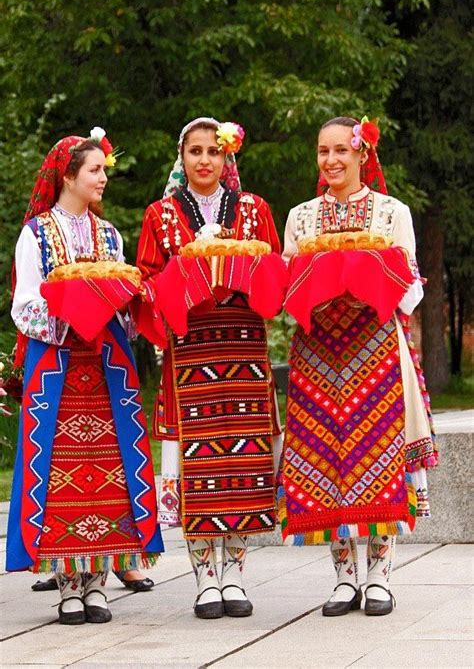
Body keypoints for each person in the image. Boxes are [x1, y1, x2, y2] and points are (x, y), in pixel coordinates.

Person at [280, 116, 437, 616]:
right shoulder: (301, 217)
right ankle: (344, 578)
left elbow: (410, 286)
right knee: (324, 461)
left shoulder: (393, 213)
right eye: (322, 151)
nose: (331, 161)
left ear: (361, 155)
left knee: (380, 460)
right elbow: (288, 282)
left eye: (341, 151)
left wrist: (370, 277)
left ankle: (380, 577)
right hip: (318, 351)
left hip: (376, 349)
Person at [7, 129, 164, 624]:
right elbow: (24, 305)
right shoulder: (34, 234)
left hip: (104, 368)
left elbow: (120, 297)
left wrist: (128, 305)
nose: (102, 178)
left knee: (108, 467)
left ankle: (97, 582)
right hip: (56, 365)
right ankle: (67, 586)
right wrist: (70, 316)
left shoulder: (111, 235)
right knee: (58, 471)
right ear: (69, 175)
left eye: (103, 170)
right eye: (95, 170)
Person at [136, 117, 281, 619]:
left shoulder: (254, 209)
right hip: (190, 347)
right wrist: (185, 274)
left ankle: (235, 574)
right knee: (199, 461)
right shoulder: (159, 216)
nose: (204, 161)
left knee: (239, 461)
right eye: (194, 151)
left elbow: (274, 269)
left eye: (212, 152)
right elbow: (148, 281)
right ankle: (203, 577)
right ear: (182, 157)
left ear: (227, 158)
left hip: (242, 347)